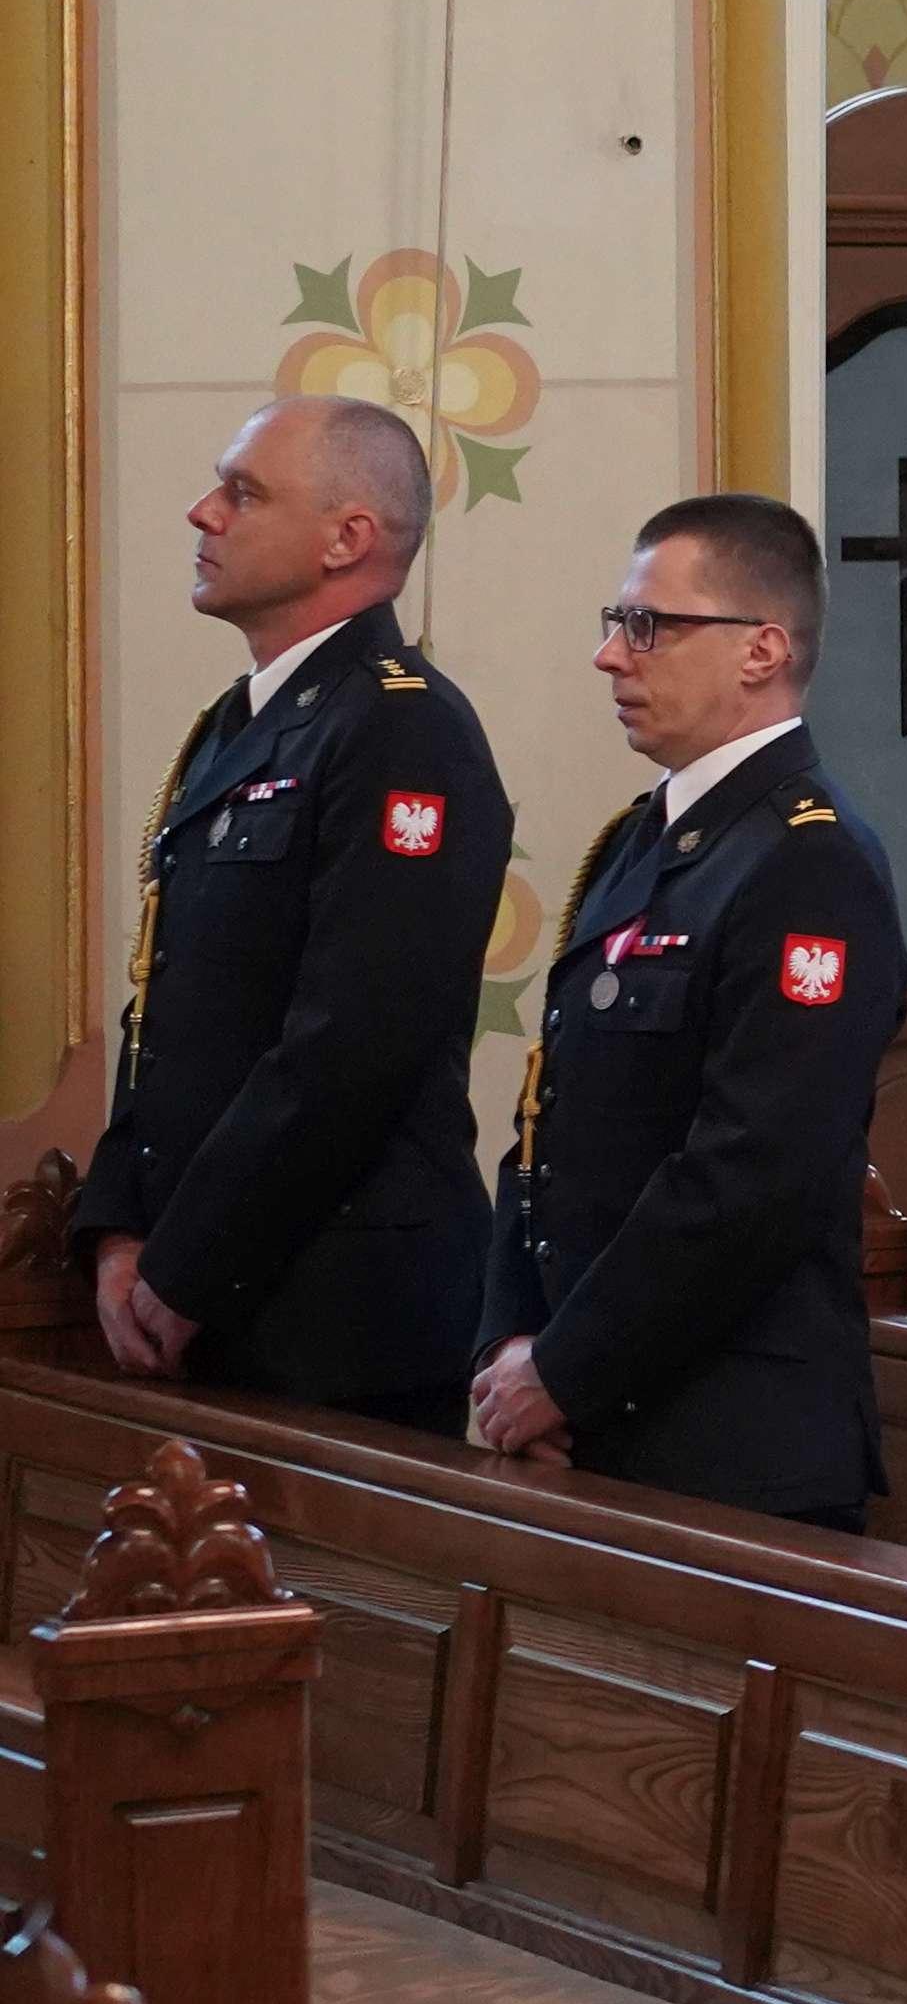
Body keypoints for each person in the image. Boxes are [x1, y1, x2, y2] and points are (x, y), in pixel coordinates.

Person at [78, 395, 511, 1427]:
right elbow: (166, 1005)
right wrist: (119, 1226)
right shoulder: (238, 725)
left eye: (243, 492)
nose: (203, 512)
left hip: (337, 1319)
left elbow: (352, 1045)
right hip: (202, 1291)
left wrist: (189, 1267)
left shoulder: (405, 731)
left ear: (346, 538)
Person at [474, 497, 905, 1526]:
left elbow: (753, 1174)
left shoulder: (810, 861)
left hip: (727, 1437)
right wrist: (510, 1343)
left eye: (647, 626)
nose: (609, 656)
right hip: (590, 1413)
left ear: (762, 650)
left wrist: (565, 1368)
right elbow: (548, 1124)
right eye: (617, 623)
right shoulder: (645, 840)